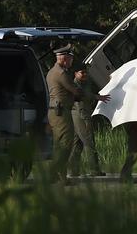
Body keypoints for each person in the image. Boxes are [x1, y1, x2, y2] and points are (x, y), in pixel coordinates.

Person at [46, 44, 82, 183]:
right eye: (71, 59)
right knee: (66, 144)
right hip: (61, 113)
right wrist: (96, 97)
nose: (71, 62)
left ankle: (57, 176)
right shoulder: (61, 73)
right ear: (64, 58)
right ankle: (55, 174)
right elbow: (75, 91)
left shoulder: (52, 71)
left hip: (56, 112)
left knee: (59, 145)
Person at [69, 63, 109, 177]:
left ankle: (73, 170)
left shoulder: (84, 83)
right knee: (89, 141)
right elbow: (82, 95)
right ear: (75, 73)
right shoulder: (75, 85)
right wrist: (97, 97)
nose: (85, 74)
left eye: (86, 72)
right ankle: (94, 170)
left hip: (80, 114)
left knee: (78, 143)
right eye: (82, 72)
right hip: (81, 115)